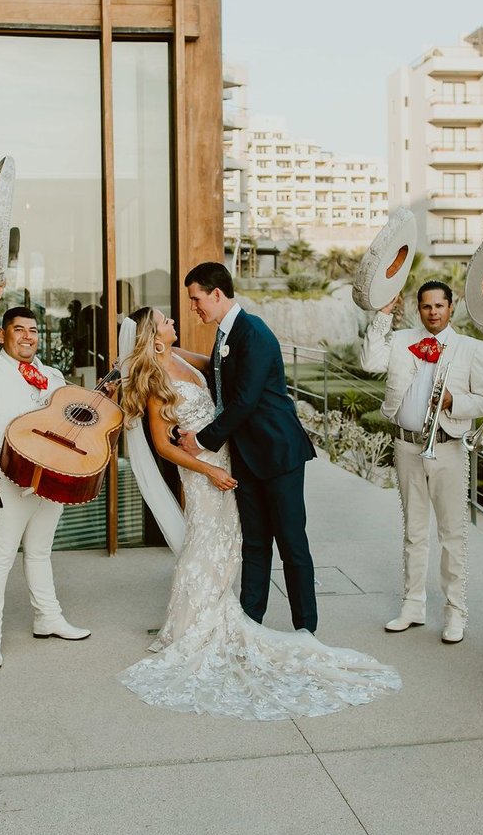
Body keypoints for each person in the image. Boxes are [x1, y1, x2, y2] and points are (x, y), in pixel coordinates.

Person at [116, 307, 401, 718]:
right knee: (206, 539)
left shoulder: (181, 358)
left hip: (231, 459)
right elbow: (164, 446)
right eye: (165, 321)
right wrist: (208, 468)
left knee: (239, 540)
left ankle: (264, 617)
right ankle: (190, 623)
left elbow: (221, 370)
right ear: (154, 336)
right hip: (205, 472)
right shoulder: (157, 383)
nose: (175, 320)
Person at [177, 262, 319, 633]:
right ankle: (251, 623)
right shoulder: (226, 332)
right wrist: (170, 358)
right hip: (247, 455)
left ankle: (306, 629)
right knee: (255, 543)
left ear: (217, 294)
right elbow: (218, 375)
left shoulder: (252, 332)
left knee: (291, 544)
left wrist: (202, 441)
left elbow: (244, 401)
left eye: (196, 299)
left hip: (278, 453)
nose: (194, 307)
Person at [359, 281, 483, 642]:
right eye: (426, 307)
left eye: (440, 305)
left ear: (451, 307)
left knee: (452, 535)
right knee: (414, 532)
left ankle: (455, 612)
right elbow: (370, 360)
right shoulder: (403, 339)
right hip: (407, 448)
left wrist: (455, 401)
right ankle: (413, 605)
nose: (433, 312)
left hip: (448, 446)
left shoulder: (471, 348)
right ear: (419, 309)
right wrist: (383, 317)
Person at [0, 278, 89, 669]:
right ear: (3, 335)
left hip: (50, 479)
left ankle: (48, 618)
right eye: (18, 330)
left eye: (33, 330)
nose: (27, 337)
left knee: (39, 552)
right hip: (6, 476)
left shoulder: (53, 376)